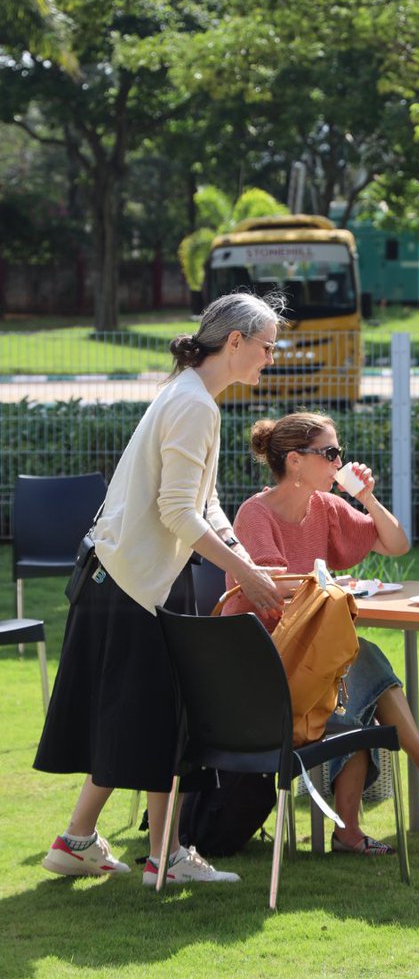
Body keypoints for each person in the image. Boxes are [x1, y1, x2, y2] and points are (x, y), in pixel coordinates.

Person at [36, 292, 287, 885]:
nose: (271, 358)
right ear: (235, 343)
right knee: (158, 718)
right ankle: (165, 858)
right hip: (130, 581)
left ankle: (85, 842)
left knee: (147, 717)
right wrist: (246, 574)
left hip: (126, 578)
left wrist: (241, 556)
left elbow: (204, 501)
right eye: (268, 346)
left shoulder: (192, 395)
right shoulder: (194, 404)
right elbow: (177, 512)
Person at [227, 412, 419, 856]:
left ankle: (361, 823)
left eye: (338, 453)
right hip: (262, 668)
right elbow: (275, 591)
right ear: (294, 461)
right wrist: (331, 586)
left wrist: (366, 496)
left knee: (354, 669)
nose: (339, 461)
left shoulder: (325, 507)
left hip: (307, 659)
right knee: (357, 658)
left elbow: (396, 543)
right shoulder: (255, 514)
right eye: (330, 454)